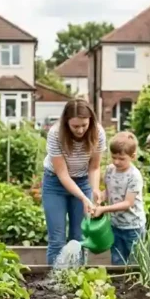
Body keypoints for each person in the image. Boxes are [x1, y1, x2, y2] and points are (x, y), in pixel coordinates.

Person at [42, 99, 107, 265]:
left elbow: (94, 167)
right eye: (75, 126)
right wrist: (84, 198)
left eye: (84, 125)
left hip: (83, 181)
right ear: (66, 123)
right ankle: (54, 283)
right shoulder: (56, 134)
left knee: (79, 237)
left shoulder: (97, 133)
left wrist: (94, 190)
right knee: (57, 239)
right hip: (55, 184)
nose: (80, 130)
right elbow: (63, 175)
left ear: (90, 121)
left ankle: (77, 280)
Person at [93, 131, 146, 265]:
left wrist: (103, 209)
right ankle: (120, 286)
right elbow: (109, 191)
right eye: (113, 157)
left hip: (133, 227)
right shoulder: (110, 170)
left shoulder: (134, 176)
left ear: (133, 156)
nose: (116, 162)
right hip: (115, 225)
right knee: (117, 259)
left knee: (135, 261)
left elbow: (128, 203)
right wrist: (100, 198)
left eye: (122, 159)